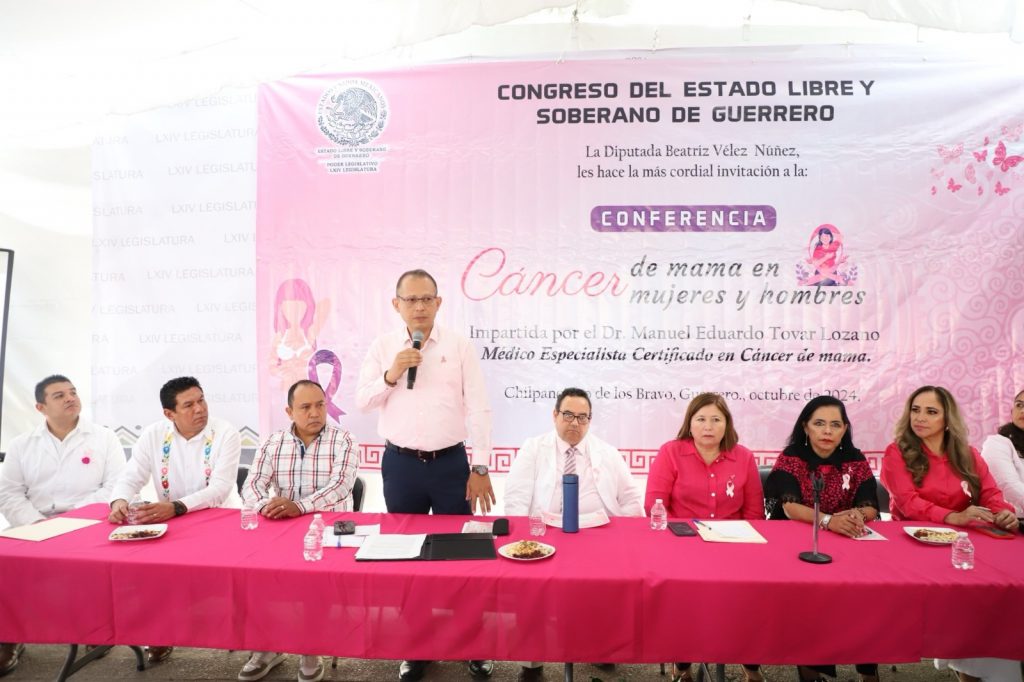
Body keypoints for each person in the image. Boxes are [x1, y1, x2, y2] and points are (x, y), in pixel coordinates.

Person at [355, 268, 493, 681]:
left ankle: (472, 644)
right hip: (401, 466)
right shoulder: (383, 348)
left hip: (451, 464)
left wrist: (480, 465)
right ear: (396, 304)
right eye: (411, 299)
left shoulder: (459, 345)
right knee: (406, 556)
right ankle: (416, 647)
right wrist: (391, 373)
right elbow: (362, 401)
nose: (419, 306)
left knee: (462, 556)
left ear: (438, 302)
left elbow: (479, 406)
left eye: (426, 299)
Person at [882, 386, 1020, 682]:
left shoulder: (967, 453)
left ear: (947, 419)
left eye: (931, 412)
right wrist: (953, 516)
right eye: (915, 410)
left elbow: (991, 494)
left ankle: (987, 663)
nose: (920, 418)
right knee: (967, 597)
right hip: (915, 543)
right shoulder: (897, 452)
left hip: (965, 541)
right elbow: (908, 503)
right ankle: (968, 664)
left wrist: (1003, 512)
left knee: (996, 591)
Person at [504, 387, 641, 682]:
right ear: (555, 415)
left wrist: (629, 539)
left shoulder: (608, 452)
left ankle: (599, 648)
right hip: (546, 534)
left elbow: (631, 498)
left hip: (598, 535)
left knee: (603, 588)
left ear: (590, 420)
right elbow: (516, 497)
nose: (575, 423)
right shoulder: (533, 448)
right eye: (568, 415)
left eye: (582, 417)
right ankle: (532, 662)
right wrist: (520, 538)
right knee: (532, 591)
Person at [108, 376, 241, 664]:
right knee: (148, 569)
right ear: (169, 414)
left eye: (201, 400)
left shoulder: (225, 433)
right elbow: (132, 475)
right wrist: (119, 500)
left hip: (222, 520)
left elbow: (220, 489)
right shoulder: (154, 435)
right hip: (174, 523)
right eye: (189, 405)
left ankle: (235, 630)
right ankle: (160, 633)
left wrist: (177, 507)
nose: (200, 409)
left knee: (220, 578)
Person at [0, 375, 126, 677]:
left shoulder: (104, 438)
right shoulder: (21, 445)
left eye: (72, 392)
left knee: (95, 562)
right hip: (33, 524)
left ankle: (96, 628)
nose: (70, 398)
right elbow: (9, 493)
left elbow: (117, 486)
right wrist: (38, 524)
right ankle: (8, 636)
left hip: (89, 524)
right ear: (40, 407)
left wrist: (70, 523)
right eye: (59, 395)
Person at [237, 380, 359, 682]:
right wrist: (266, 506)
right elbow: (252, 485)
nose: (315, 413)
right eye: (305, 407)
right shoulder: (273, 442)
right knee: (257, 575)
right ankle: (267, 647)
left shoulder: (344, 439)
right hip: (285, 525)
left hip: (336, 527)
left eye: (320, 405)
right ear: (289, 411)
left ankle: (310, 648)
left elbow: (341, 486)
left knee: (315, 581)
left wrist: (299, 506)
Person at [644, 392, 763, 682]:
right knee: (683, 597)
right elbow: (654, 505)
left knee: (749, 596)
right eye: (701, 419)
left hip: (733, 546)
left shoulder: (744, 457)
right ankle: (682, 663)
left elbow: (754, 513)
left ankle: (750, 663)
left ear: (727, 424)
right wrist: (683, 536)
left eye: (716, 420)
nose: (708, 426)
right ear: (689, 423)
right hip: (682, 544)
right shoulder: (671, 452)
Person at [765, 395, 879, 682]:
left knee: (868, 596)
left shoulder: (855, 459)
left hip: (847, 541)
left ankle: (868, 671)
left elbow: (871, 506)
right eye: (819, 423)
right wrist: (829, 521)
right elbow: (790, 508)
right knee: (809, 600)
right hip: (795, 544)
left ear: (844, 429)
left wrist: (855, 515)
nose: (827, 431)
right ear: (805, 426)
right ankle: (812, 673)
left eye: (835, 425)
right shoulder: (791, 457)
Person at [980, 388, 1024, 515]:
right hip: (1009, 519)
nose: (1022, 410)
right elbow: (1008, 486)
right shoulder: (997, 443)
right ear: (1012, 412)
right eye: (1019, 405)